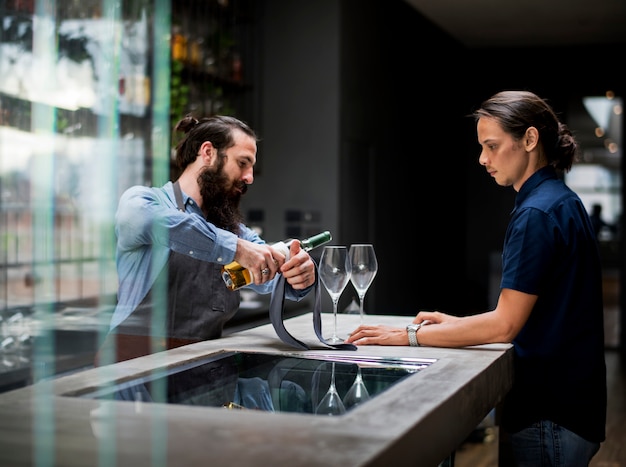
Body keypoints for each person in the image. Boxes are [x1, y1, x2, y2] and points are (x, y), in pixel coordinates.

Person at [346, 91, 607, 466]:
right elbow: (535, 312)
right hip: (572, 405)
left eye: (492, 145)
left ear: (530, 140)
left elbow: (503, 326)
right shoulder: (562, 200)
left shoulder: (536, 213)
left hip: (548, 411)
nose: (482, 159)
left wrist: (407, 335)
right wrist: (456, 324)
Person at [96, 114, 317, 365]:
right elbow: (155, 222)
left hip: (200, 366)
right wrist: (235, 249)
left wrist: (299, 277)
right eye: (243, 163)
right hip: (131, 369)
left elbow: (271, 271)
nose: (249, 178)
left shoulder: (236, 232)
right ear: (208, 152)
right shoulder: (144, 202)